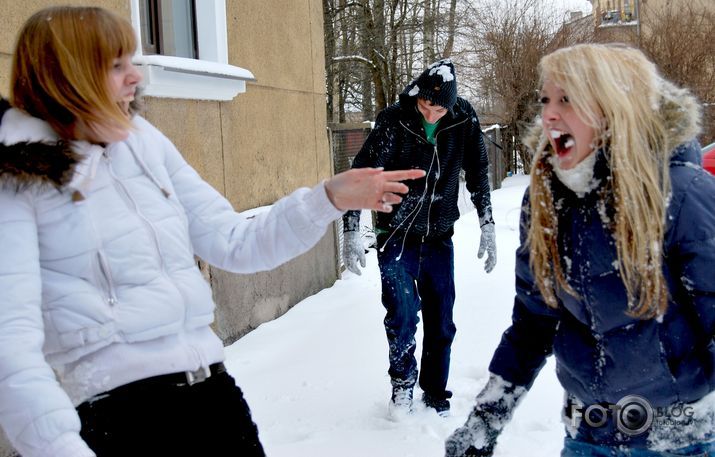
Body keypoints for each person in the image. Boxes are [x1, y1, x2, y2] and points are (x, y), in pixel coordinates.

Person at [0, 6, 425, 457]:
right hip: (118, 417)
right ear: (70, 74)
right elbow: (11, 346)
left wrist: (328, 198)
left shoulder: (143, 143)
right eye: (117, 65)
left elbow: (234, 242)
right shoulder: (19, 177)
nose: (136, 78)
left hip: (212, 395)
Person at [445, 43, 715, 457]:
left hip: (680, 441)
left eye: (567, 99)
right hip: (587, 436)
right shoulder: (547, 201)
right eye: (546, 99)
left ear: (613, 107)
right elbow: (534, 321)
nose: (549, 114)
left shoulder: (682, 196)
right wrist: (486, 421)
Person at [342, 59, 496, 418]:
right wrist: (351, 227)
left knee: (442, 319)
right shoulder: (394, 120)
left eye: (437, 109)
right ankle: (402, 385)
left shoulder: (463, 119)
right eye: (424, 105)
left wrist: (487, 221)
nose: (429, 114)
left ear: (451, 105)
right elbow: (362, 172)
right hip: (395, 234)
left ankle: (435, 391)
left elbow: (478, 170)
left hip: (439, 236)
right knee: (402, 314)